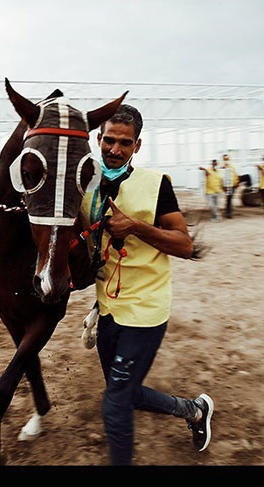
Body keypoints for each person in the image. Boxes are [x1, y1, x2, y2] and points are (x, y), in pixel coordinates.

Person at [79, 104, 214, 466]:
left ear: (137, 146)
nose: (115, 149)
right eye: (109, 140)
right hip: (108, 307)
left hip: (145, 310)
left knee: (115, 404)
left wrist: (136, 227)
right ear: (98, 139)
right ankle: (194, 410)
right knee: (124, 392)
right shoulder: (86, 185)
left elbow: (184, 245)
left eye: (125, 143)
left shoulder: (156, 184)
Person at [221, 154, 239, 219]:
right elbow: (222, 177)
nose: (226, 160)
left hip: (232, 185)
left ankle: (228, 212)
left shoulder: (232, 166)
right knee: (229, 199)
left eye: (227, 159)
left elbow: (235, 175)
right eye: (225, 159)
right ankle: (228, 213)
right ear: (223, 159)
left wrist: (237, 183)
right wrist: (223, 186)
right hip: (228, 186)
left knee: (229, 199)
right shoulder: (223, 167)